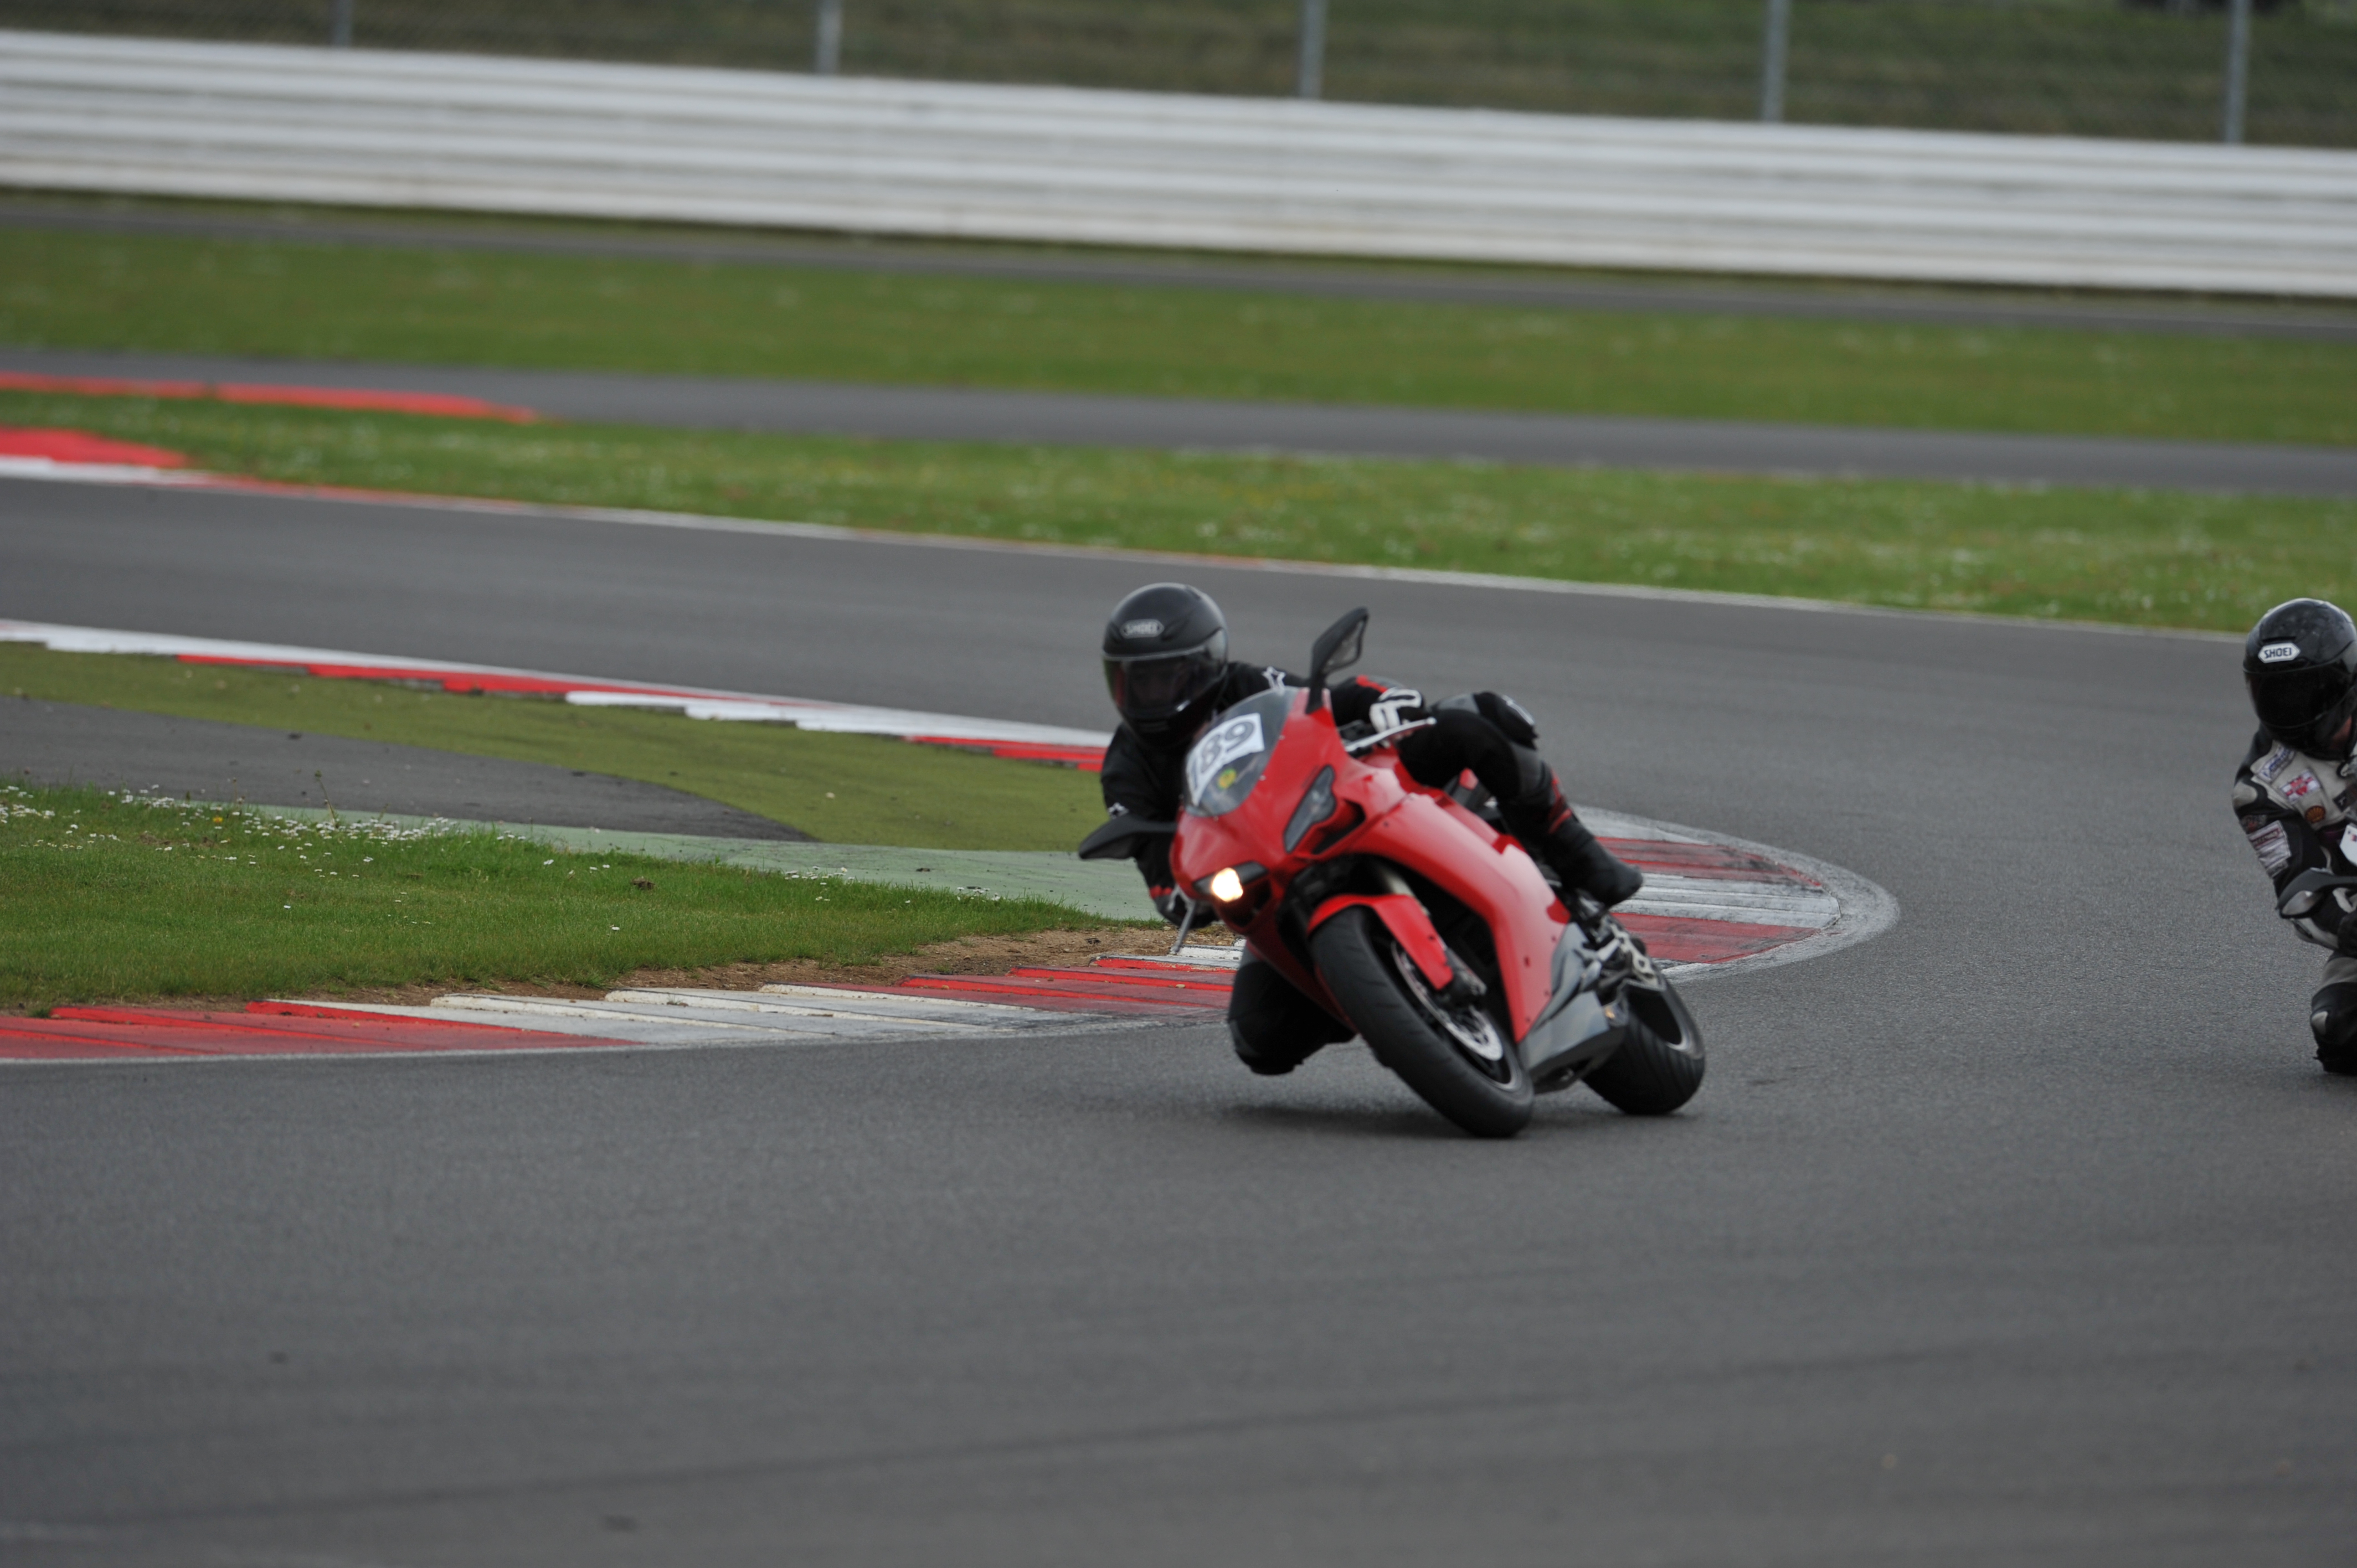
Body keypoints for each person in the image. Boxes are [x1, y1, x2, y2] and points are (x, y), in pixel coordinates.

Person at [1097, 582, 1643, 1072]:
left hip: (1333, 810)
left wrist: (1384, 701)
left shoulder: (1247, 685)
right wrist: (1177, 895)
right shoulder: (1126, 769)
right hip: (1271, 876)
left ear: (1205, 663)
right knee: (1259, 1037)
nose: (1151, 694)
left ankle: (1579, 858)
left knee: (1473, 721)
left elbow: (1322, 702)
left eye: (1165, 676)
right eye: (1135, 681)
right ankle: (1380, 998)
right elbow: (1156, 862)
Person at [2235, 597, 2357, 1076]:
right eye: (2274, 693)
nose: (2288, 708)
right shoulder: (2262, 787)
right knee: (2337, 1030)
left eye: (2303, 692)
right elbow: (2298, 890)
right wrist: (2347, 927)